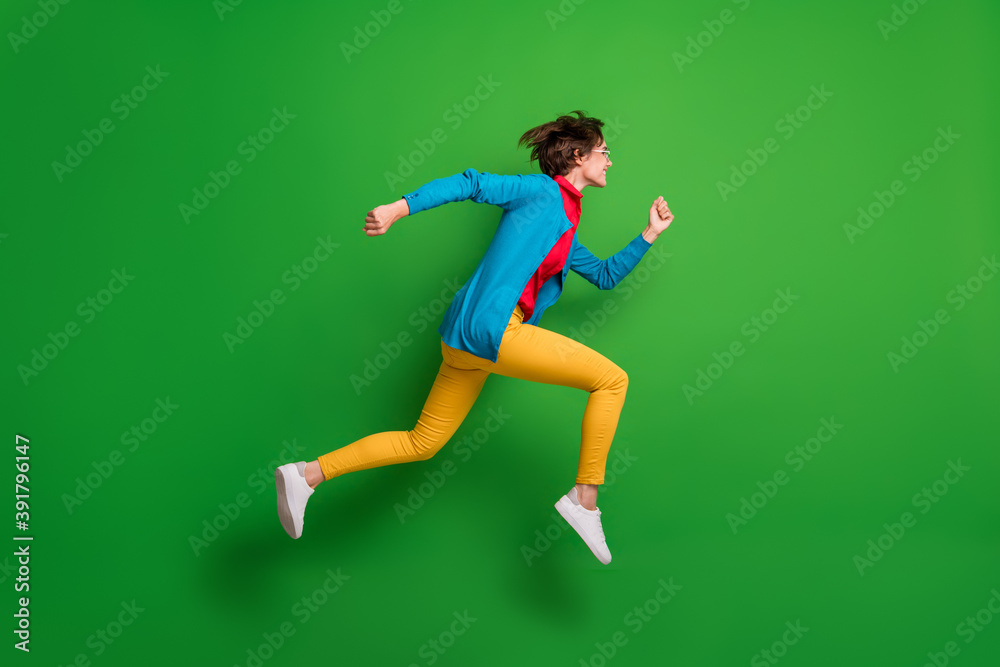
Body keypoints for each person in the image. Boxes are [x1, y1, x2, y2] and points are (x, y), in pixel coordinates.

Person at [275, 110, 674, 564]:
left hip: (466, 344)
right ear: (578, 155)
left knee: (421, 442)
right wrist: (397, 208)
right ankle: (584, 499)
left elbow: (603, 276)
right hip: (492, 330)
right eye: (604, 152)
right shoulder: (541, 192)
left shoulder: (564, 224)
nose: (609, 161)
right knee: (612, 380)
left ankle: (306, 475)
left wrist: (649, 234)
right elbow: (472, 182)